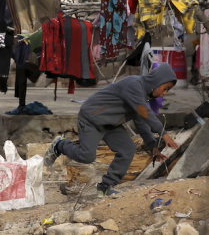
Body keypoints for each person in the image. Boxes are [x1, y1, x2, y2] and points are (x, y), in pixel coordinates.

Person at [43, 63, 180, 196]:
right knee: (87, 156)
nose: (164, 93)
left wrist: (153, 146)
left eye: (167, 91)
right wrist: (164, 134)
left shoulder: (143, 96)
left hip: (110, 124)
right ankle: (60, 144)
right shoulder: (134, 85)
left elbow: (141, 122)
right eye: (165, 88)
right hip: (92, 118)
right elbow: (146, 114)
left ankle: (106, 186)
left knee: (127, 149)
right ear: (157, 81)